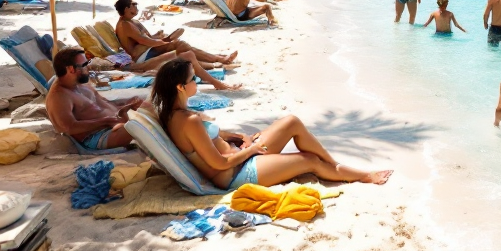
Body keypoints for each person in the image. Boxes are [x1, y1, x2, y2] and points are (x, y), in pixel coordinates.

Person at [155, 59, 393, 188]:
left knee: (291, 121)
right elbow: (218, 164)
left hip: (241, 156)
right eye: (193, 79)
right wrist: (250, 150)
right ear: (180, 87)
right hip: (235, 174)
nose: (197, 81)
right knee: (309, 160)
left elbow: (212, 138)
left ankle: (333, 165)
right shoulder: (189, 120)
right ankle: (362, 176)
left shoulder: (175, 113)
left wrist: (239, 138)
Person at [114, 0, 240, 89]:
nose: (137, 7)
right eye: (134, 4)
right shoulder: (125, 25)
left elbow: (146, 38)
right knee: (181, 46)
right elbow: (145, 41)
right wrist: (164, 41)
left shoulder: (131, 21)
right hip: (142, 56)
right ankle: (217, 60)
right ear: (127, 8)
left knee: (183, 49)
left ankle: (217, 60)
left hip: (148, 50)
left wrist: (158, 36)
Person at [46, 47, 144, 151]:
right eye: (84, 65)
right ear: (71, 69)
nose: (88, 67)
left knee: (153, 110)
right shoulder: (59, 97)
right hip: (98, 136)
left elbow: (104, 103)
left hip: (114, 124)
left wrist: (127, 103)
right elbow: (68, 128)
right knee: (141, 128)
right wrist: (104, 121)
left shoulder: (81, 85)